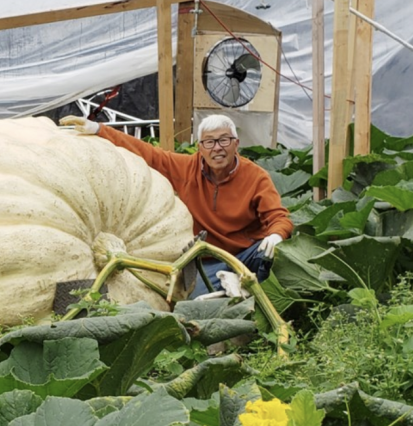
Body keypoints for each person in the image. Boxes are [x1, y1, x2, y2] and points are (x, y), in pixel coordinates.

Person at [59, 113, 294, 297]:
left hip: (246, 253)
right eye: (209, 142)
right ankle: (234, 289)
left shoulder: (255, 177)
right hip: (208, 261)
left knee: (275, 255)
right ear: (200, 147)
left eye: (224, 140)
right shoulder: (185, 168)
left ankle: (257, 294)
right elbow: (148, 154)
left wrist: (275, 235)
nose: (217, 148)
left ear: (236, 144)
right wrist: (99, 129)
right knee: (193, 304)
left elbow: (278, 217)